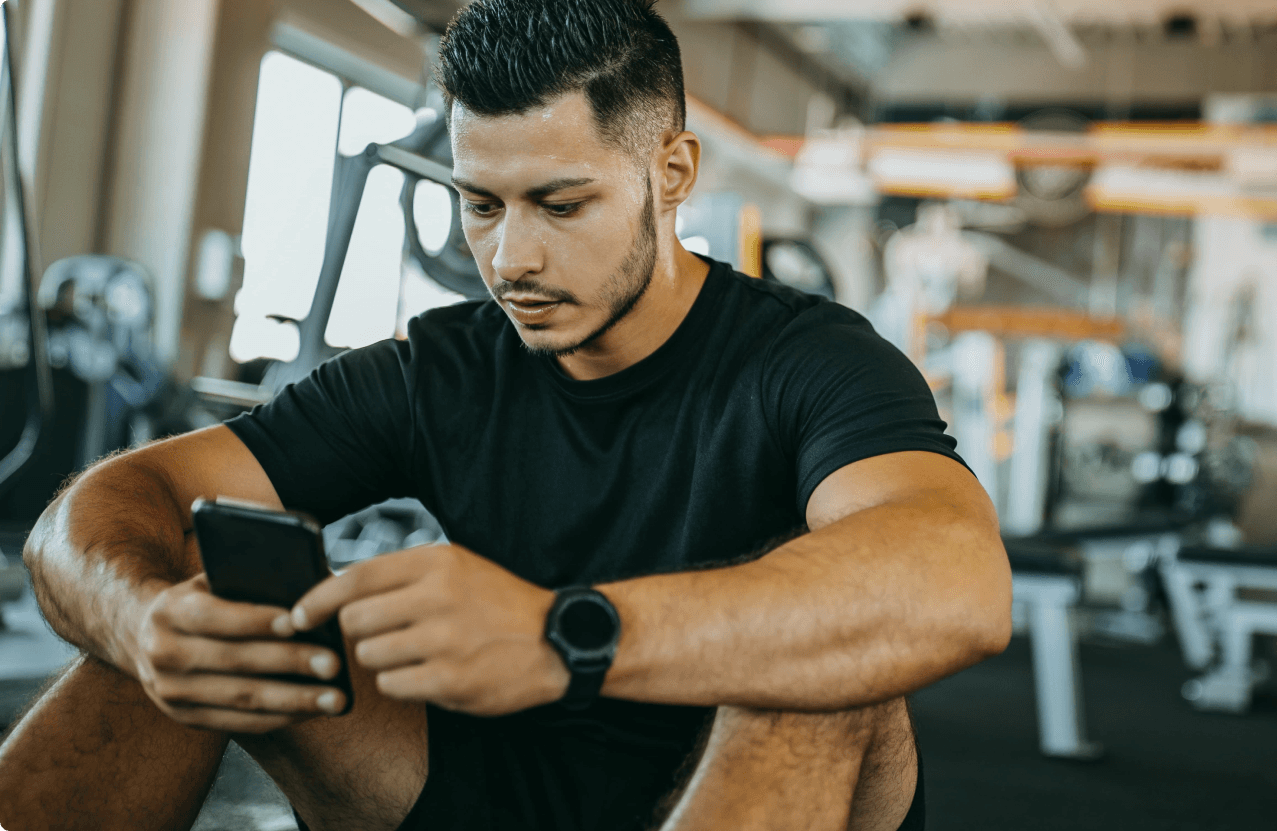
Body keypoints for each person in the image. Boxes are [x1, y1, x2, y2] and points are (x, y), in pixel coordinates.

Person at [0, 1, 1011, 828]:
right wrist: (140, 619)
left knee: (824, 671)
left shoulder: (813, 361)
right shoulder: (438, 369)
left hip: (747, 785)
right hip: (480, 782)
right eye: (481, 205)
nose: (510, 260)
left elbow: (955, 580)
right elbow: (115, 504)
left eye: (560, 205)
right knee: (193, 612)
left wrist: (566, 636)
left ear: (672, 175)